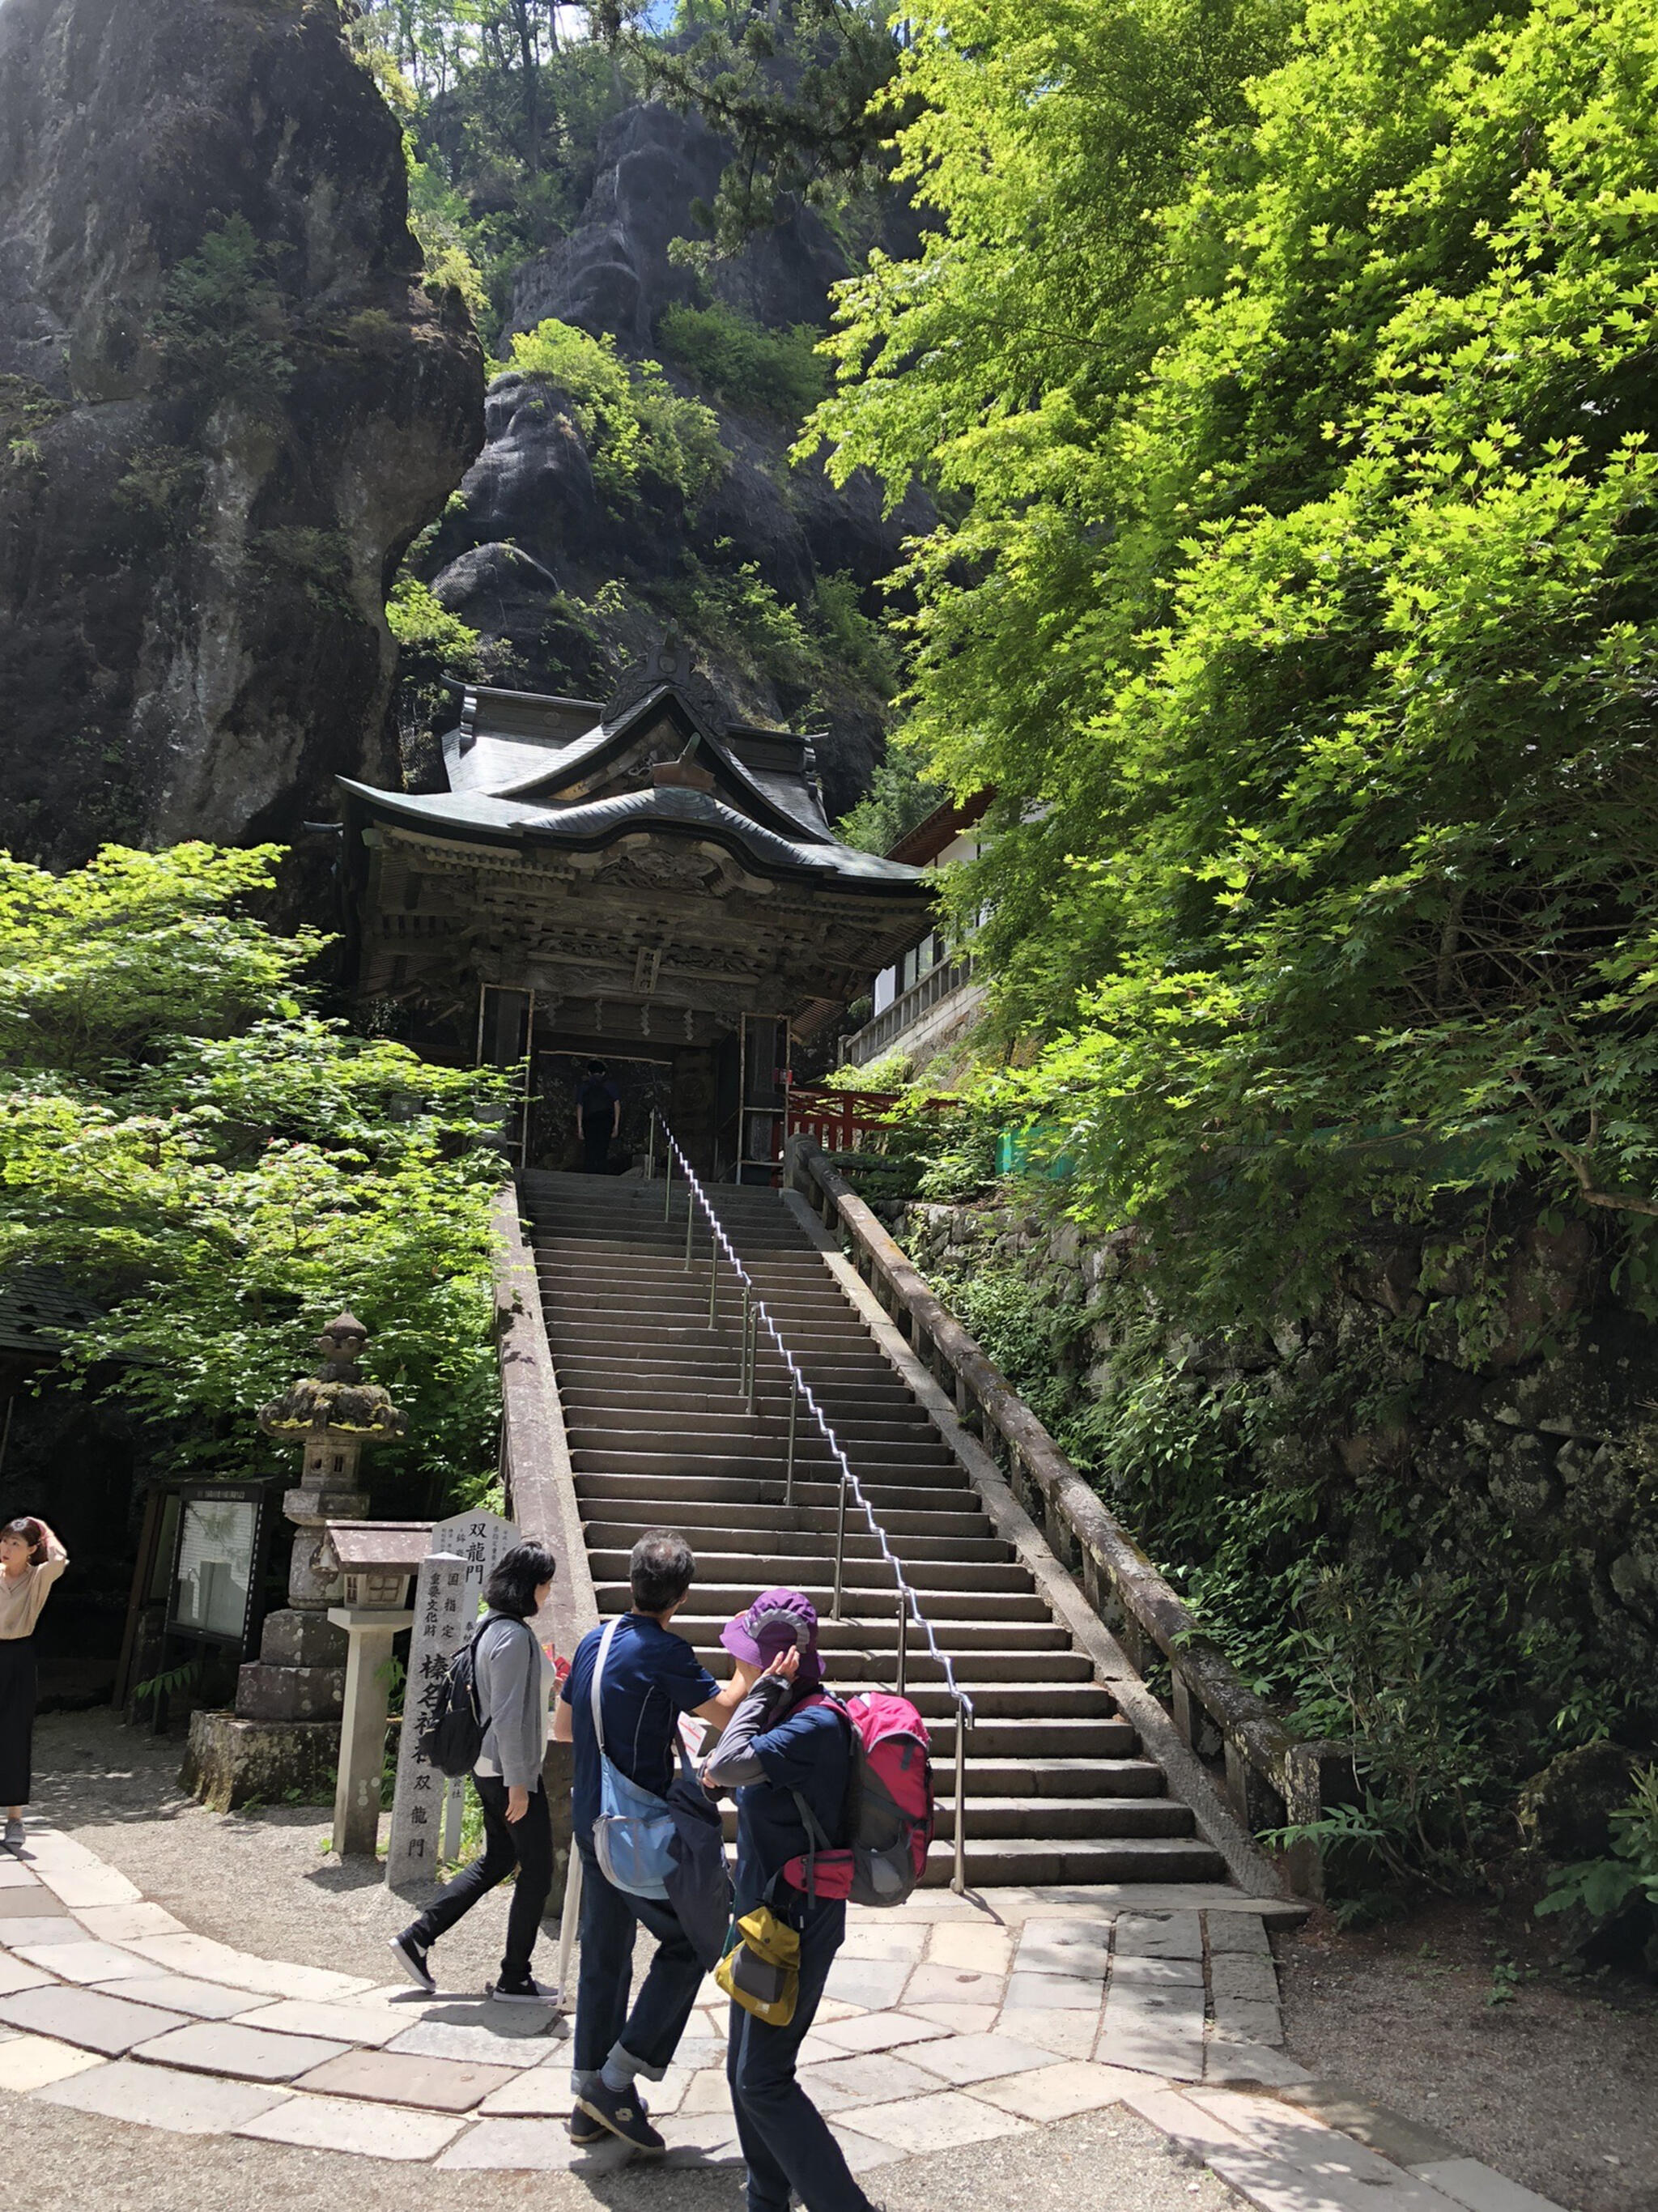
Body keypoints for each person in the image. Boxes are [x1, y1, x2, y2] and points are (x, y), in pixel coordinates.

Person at [554, 1529, 751, 2151]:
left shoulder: (594, 1640)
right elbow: (725, 1711)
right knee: (695, 1940)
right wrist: (748, 1662)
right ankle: (615, 2079)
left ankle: (588, 2105)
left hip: (590, 1818)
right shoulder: (664, 1651)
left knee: (604, 1957)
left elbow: (563, 1729)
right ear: (681, 1596)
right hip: (634, 1827)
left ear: (631, 1581)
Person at [702, 1589, 880, 2212]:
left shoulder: (812, 1723)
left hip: (794, 1923)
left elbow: (729, 1764)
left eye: (745, 1660)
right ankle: (766, 2197)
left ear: (779, 1666)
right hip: (761, 1918)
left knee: (763, 2079)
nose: (734, 1671)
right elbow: (734, 1768)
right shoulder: (787, 1718)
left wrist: (761, 1697)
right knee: (742, 2072)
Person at [390, 1541, 561, 2004]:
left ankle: (418, 1937)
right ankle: (514, 1977)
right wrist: (520, 1784)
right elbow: (506, 1715)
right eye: (546, 1584)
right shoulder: (513, 1636)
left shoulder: (492, 1626)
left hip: (491, 1768)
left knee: (500, 1860)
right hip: (508, 1770)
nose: (548, 1593)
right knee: (539, 1870)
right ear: (529, 1586)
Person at [0, 1516, 68, 1856]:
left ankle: (15, 1818)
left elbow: (59, 1560)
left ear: (30, 1550)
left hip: (19, 1657)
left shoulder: (38, 1578)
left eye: (16, 1544)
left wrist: (45, 1529)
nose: (7, 1549)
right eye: (4, 1541)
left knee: (14, 1733)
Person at [576, 1058, 620, 1174]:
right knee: (603, 1147)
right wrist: (616, 1124)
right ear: (603, 1073)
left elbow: (580, 1106)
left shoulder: (584, 1087)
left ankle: (589, 1172)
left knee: (590, 1147)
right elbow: (616, 1104)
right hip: (606, 1119)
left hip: (589, 1120)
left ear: (589, 1073)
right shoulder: (610, 1086)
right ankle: (601, 1172)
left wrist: (580, 1126)